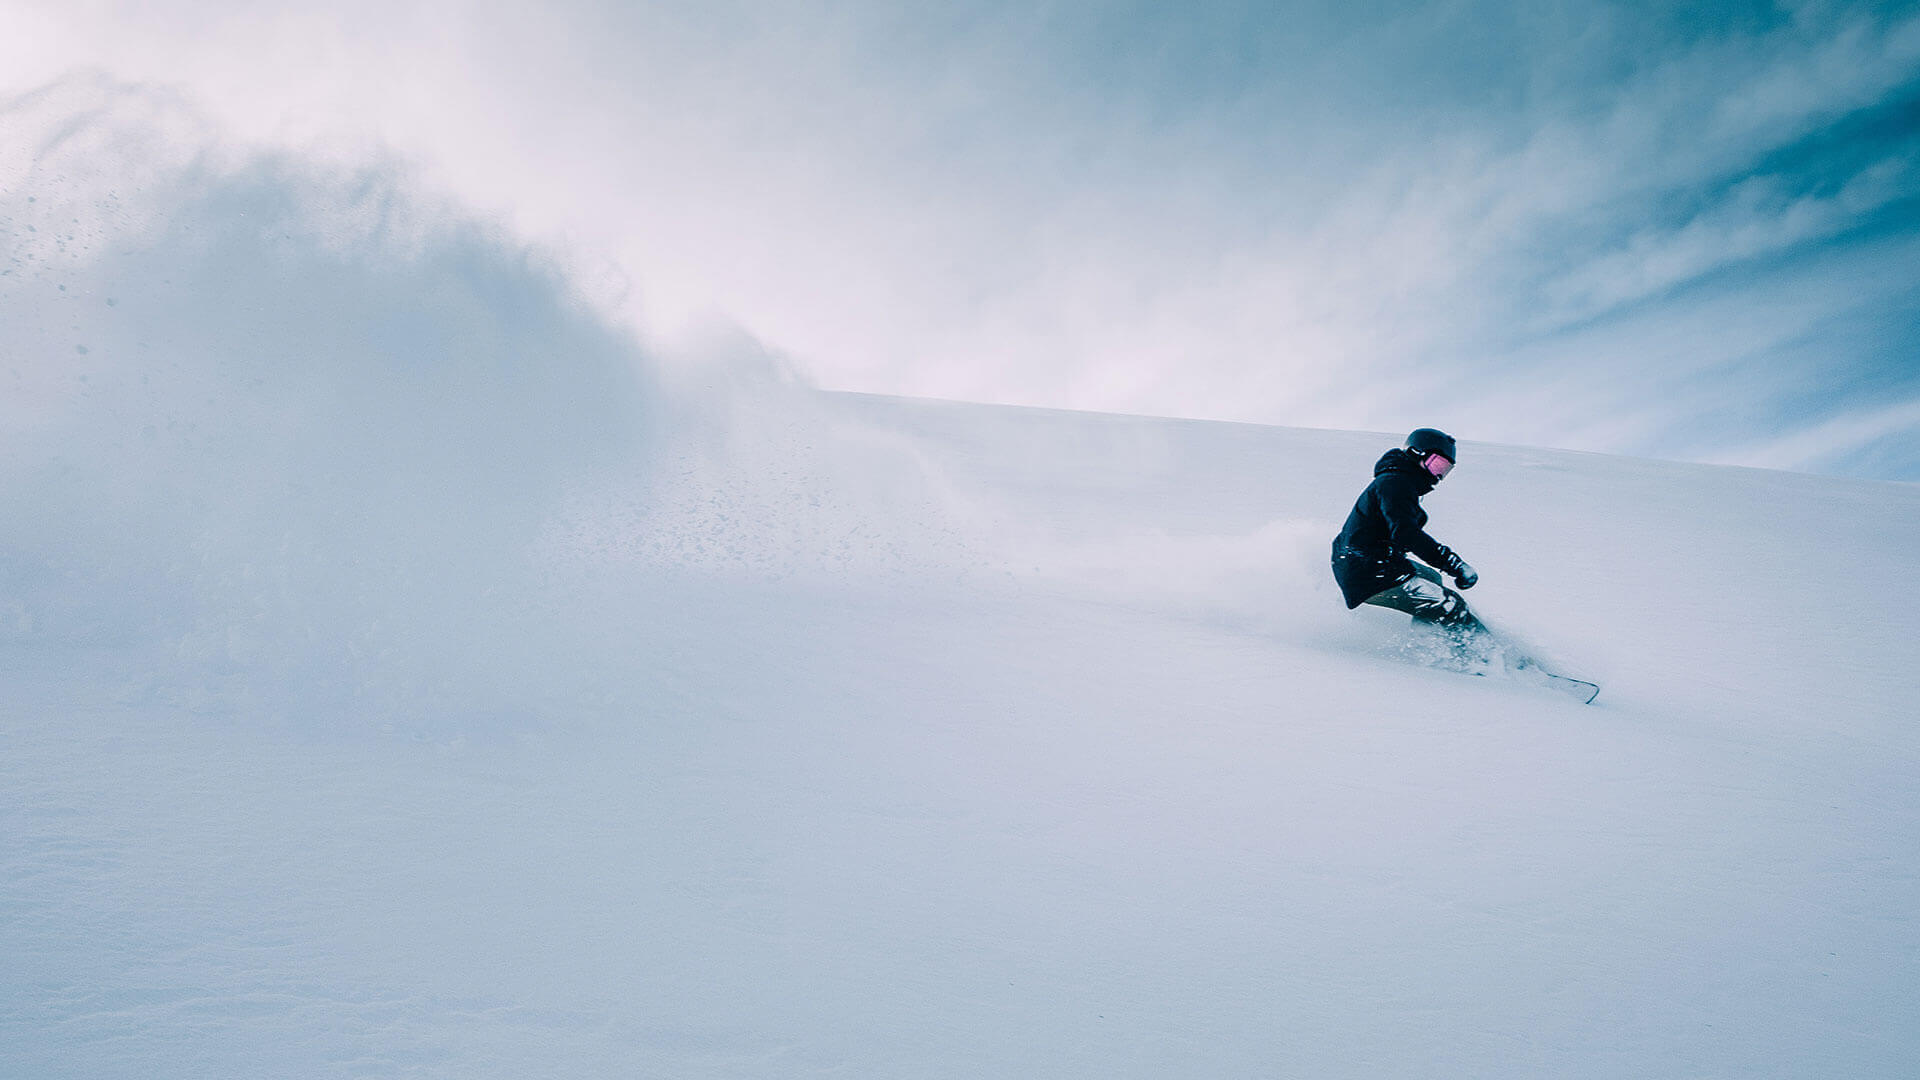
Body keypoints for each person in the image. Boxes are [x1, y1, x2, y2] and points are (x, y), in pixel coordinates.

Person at [1331, 427, 1482, 631]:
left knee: (1433, 579)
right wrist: (1453, 564)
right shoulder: (1394, 483)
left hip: (1371, 562)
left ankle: (1428, 637)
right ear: (1416, 453)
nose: (1437, 476)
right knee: (1450, 606)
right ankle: (1482, 651)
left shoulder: (1398, 482)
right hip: (1367, 570)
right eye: (1436, 464)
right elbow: (1406, 534)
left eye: (1444, 470)